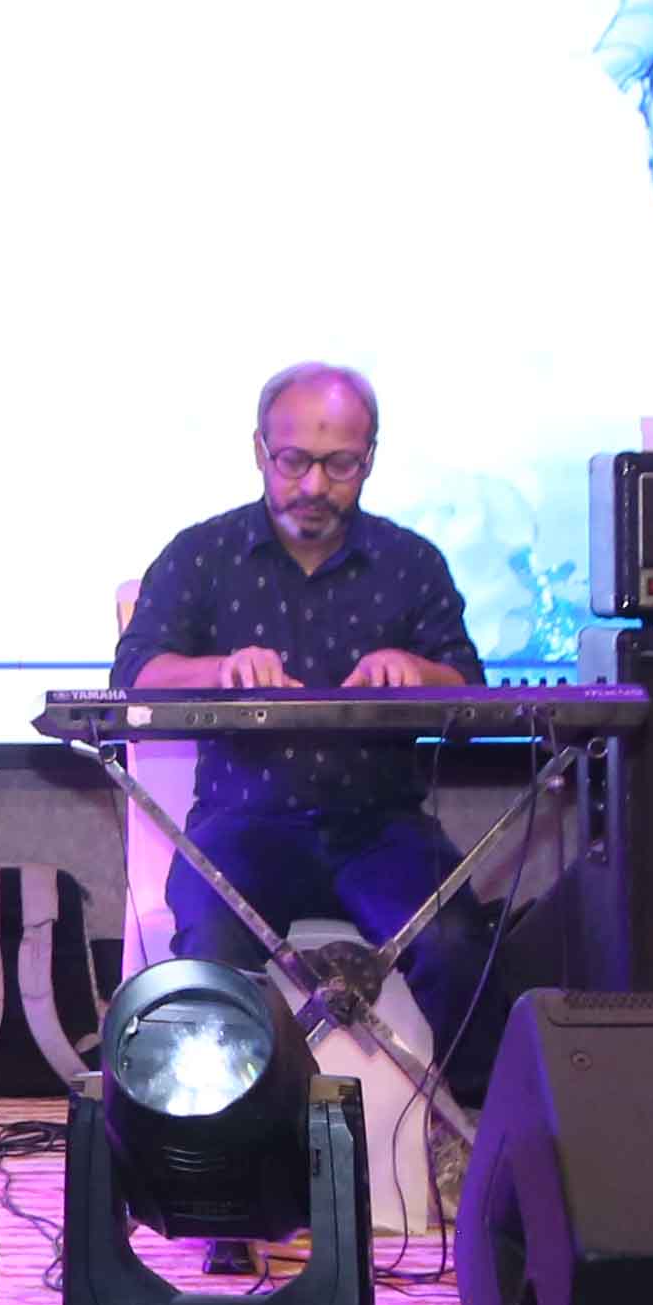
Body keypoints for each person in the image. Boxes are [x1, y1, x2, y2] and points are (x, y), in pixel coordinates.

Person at [107, 361, 492, 1071]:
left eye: (340, 464)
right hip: (243, 824)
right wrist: (220, 671)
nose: (314, 486)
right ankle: (225, 1124)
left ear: (369, 458)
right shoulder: (202, 556)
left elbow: (468, 686)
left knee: (457, 946)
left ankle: (469, 1126)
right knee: (210, 958)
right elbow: (134, 676)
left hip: (382, 828)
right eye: (294, 461)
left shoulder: (410, 563)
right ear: (260, 451)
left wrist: (416, 671)